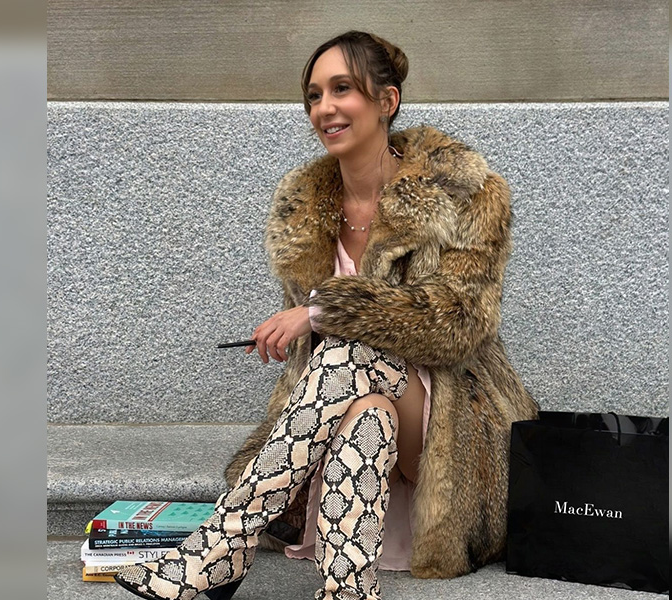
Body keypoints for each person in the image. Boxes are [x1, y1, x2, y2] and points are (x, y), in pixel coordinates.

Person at [115, 30, 538, 600]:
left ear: (386, 102)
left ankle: (221, 549)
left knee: (353, 348)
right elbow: (318, 363)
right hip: (357, 434)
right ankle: (346, 588)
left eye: (343, 89)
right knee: (365, 403)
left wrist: (321, 313)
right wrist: (315, 320)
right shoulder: (304, 210)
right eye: (314, 95)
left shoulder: (465, 192)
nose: (325, 108)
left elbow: (460, 321)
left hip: (452, 438)